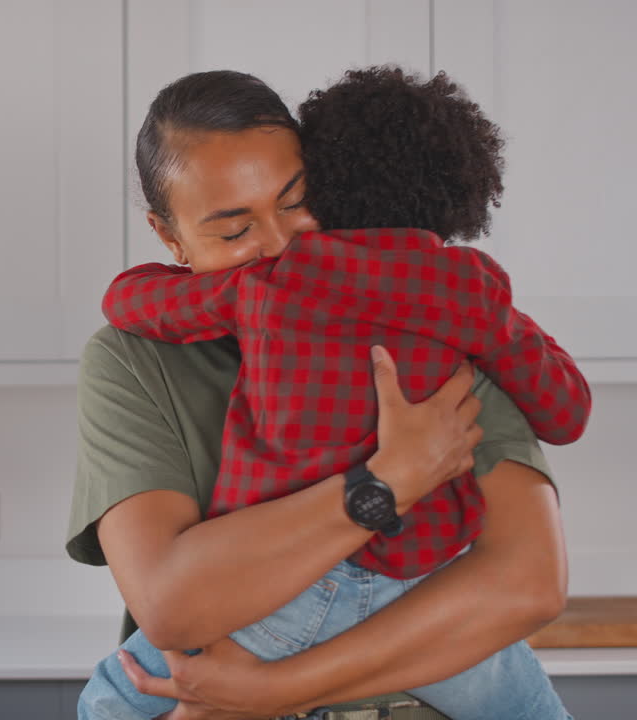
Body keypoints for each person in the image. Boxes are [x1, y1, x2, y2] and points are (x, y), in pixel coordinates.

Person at [79, 66, 586, 720]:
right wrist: (389, 481)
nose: (282, 243)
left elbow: (528, 582)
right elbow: (174, 606)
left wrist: (270, 691)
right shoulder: (132, 361)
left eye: (297, 201)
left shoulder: (423, 312)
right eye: (234, 231)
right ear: (169, 237)